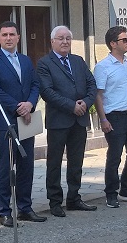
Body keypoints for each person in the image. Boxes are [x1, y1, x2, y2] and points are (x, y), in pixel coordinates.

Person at [0, 21, 45, 227]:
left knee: (26, 165)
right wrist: (19, 107)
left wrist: (30, 104)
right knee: (6, 167)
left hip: (27, 120)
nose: (8, 38)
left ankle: (25, 208)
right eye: (4, 35)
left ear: (18, 37)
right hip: (5, 121)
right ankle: (5, 211)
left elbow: (35, 85)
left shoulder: (25, 60)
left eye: (12, 34)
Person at [36, 25, 98, 217]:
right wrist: (72, 106)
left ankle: (74, 198)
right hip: (59, 121)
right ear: (52, 41)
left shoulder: (78, 61)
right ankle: (55, 202)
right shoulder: (44, 63)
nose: (65, 42)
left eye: (68, 38)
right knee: (54, 163)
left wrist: (86, 103)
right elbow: (47, 92)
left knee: (76, 162)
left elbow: (92, 84)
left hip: (79, 120)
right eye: (61, 38)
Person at [93, 26, 127, 209]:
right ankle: (111, 193)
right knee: (115, 156)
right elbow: (98, 95)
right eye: (124, 40)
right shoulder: (103, 67)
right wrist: (103, 119)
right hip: (115, 117)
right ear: (113, 44)